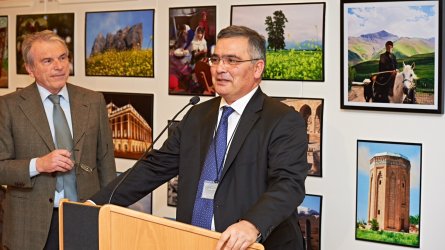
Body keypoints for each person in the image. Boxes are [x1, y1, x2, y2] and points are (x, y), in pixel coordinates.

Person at [90, 25, 308, 250]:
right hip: (195, 242)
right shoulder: (197, 114)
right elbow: (154, 167)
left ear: (257, 68)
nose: (220, 68)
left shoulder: (282, 119)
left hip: (256, 245)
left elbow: (288, 184)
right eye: (216, 59)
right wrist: (94, 205)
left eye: (232, 60)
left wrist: (253, 224)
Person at [0, 30, 117, 250]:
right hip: (30, 224)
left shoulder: (93, 101)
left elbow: (106, 163)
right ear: (30, 69)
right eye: (48, 60)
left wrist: (110, 210)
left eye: (63, 57)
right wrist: (38, 165)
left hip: (85, 217)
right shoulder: (8, 106)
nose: (59, 66)